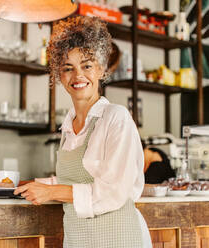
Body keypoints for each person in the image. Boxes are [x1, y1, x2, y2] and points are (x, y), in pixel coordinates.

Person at [12, 16, 152, 247]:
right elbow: (75, 179)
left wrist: (51, 192)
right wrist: (30, 184)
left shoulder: (116, 117)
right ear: (60, 75)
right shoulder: (68, 126)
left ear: (100, 69)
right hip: (79, 237)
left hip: (119, 237)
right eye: (68, 68)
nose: (78, 76)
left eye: (86, 66)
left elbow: (114, 190)